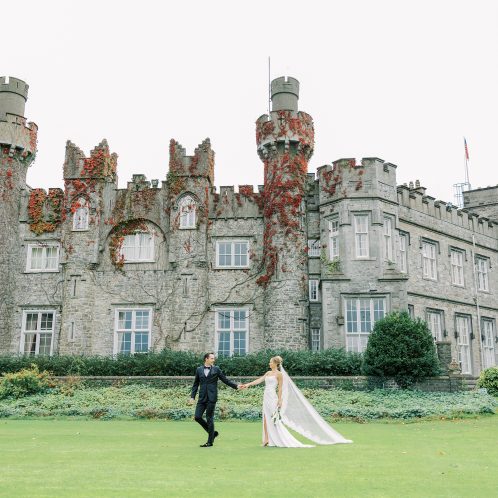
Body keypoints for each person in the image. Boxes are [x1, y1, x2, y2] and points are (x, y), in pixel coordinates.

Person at [241, 356, 352, 447]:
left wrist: (279, 400)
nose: (269, 364)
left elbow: (280, 388)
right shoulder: (268, 373)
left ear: (275, 364)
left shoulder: (279, 375)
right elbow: (259, 380)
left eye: (270, 362)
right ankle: (266, 439)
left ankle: (278, 438)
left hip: (272, 397)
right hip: (266, 396)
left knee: (274, 418)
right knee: (265, 417)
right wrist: (248, 385)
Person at [188, 352, 241, 447]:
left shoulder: (216, 369)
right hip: (202, 397)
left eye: (213, 358)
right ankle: (212, 433)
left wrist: (236, 386)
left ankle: (210, 442)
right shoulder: (199, 370)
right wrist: (192, 397)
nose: (214, 360)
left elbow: (225, 380)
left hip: (212, 397)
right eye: (212, 358)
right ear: (206, 359)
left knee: (209, 418)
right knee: (197, 417)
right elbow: (195, 384)